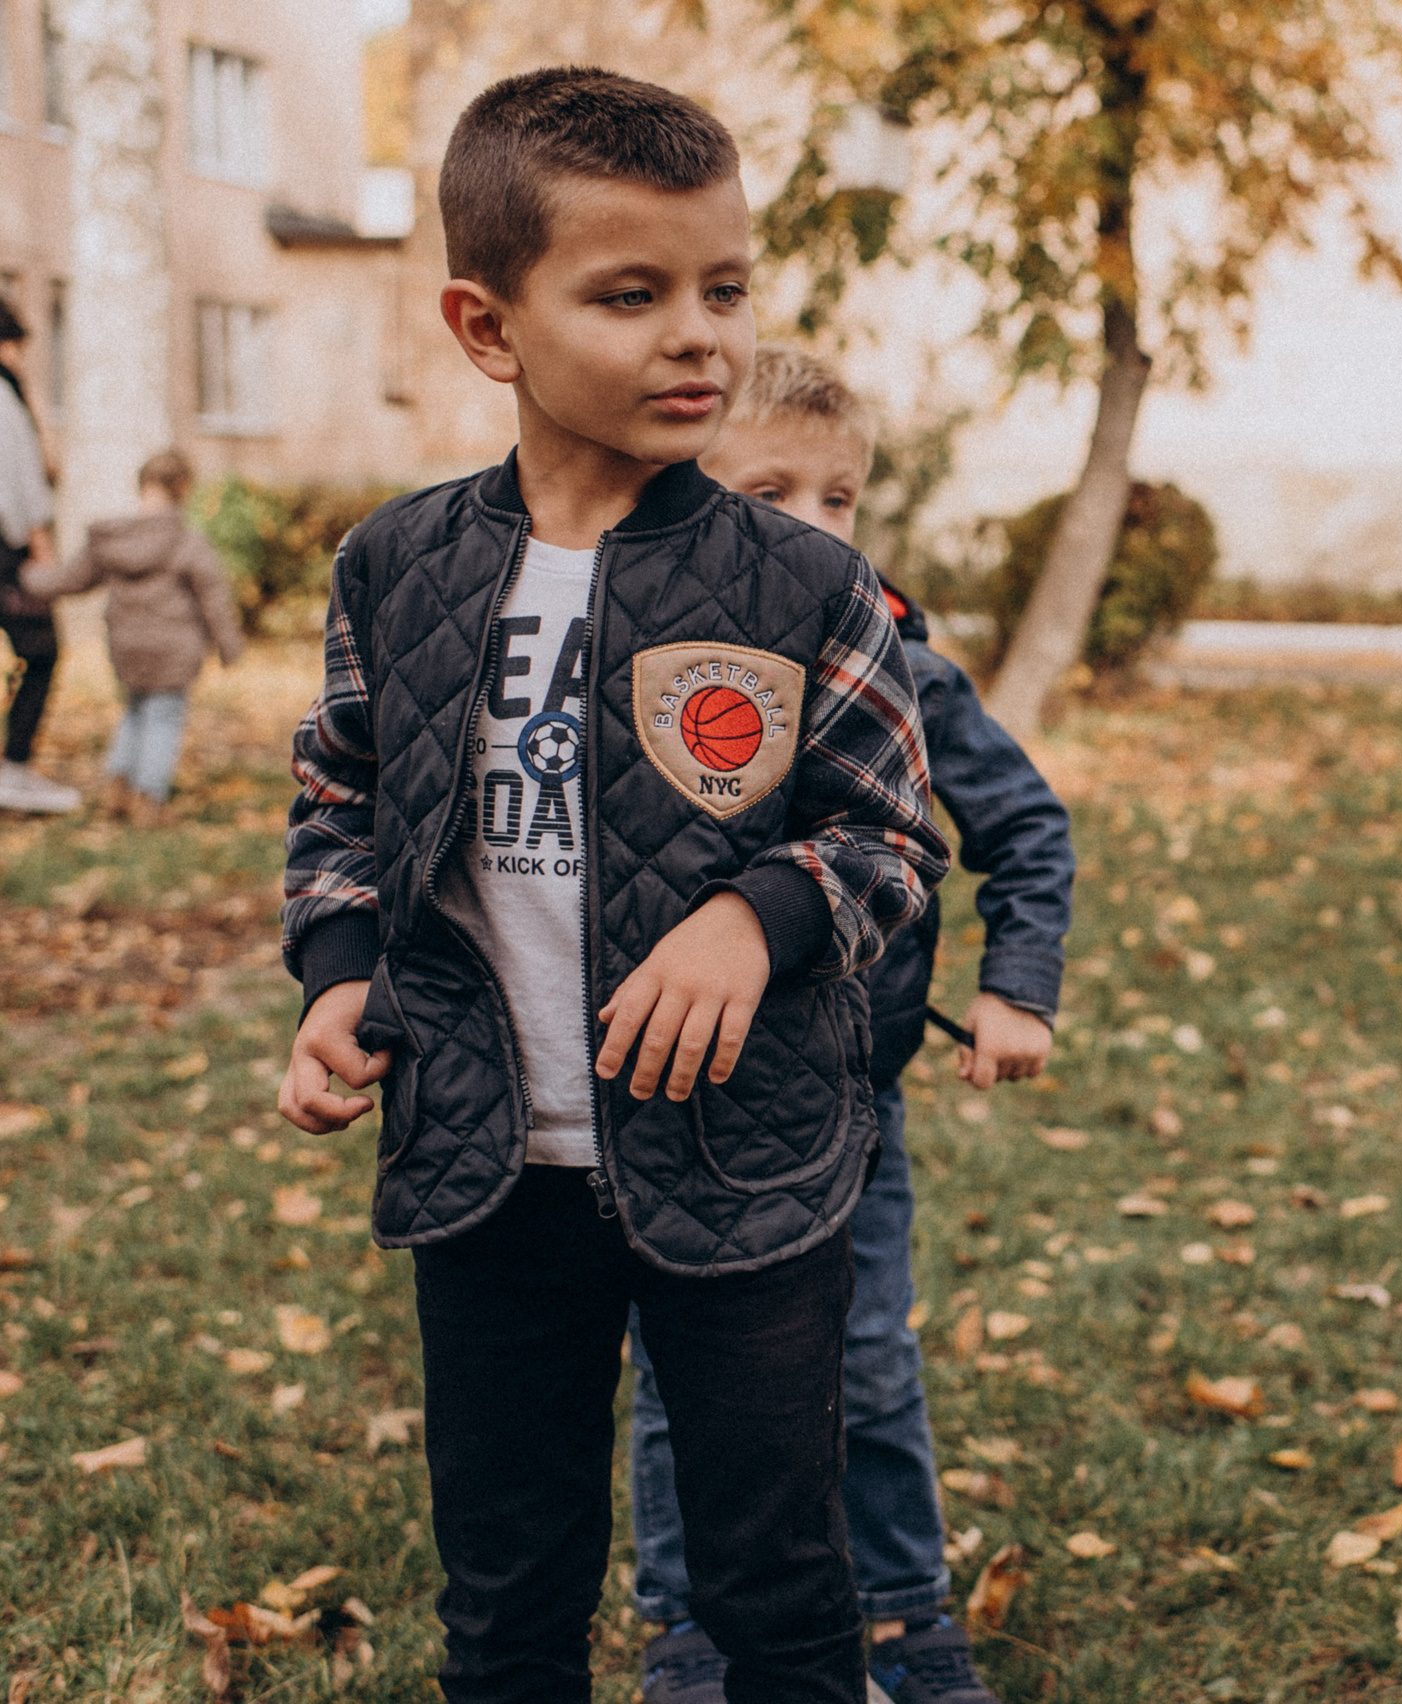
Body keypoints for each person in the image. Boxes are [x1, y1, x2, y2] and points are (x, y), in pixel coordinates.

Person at [275, 67, 949, 1704]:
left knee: (774, 1576)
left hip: (751, 1159)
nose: (697, 335)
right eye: (630, 294)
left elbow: (894, 839)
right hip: (487, 1169)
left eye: (723, 288)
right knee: (506, 1586)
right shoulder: (397, 567)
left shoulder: (809, 582)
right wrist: (341, 971)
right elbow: (338, 794)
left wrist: (755, 909)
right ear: (487, 325)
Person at [626, 347, 1074, 1704]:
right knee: (673, 1383)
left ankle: (903, 1613)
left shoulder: (908, 674)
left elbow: (1025, 829)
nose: (816, 526)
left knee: (870, 1362)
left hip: (842, 1100)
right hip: (671, 1093)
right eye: (772, 493)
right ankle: (689, 1630)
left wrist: (1017, 987)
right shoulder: (644, 667)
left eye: (841, 497)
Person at [20, 448, 243, 824]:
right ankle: (149, 800)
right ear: (183, 487)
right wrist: (229, 646)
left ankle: (115, 791)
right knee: (162, 719)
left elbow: (69, 580)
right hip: (173, 647)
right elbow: (213, 597)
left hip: (126, 646)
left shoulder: (111, 540)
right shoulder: (187, 541)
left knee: (135, 713)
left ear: (142, 484)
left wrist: (25, 576)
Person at [0, 295, 76, 815]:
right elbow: (23, 477)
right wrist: (38, 542)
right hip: (8, 552)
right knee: (43, 650)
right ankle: (14, 766)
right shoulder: (5, 394)